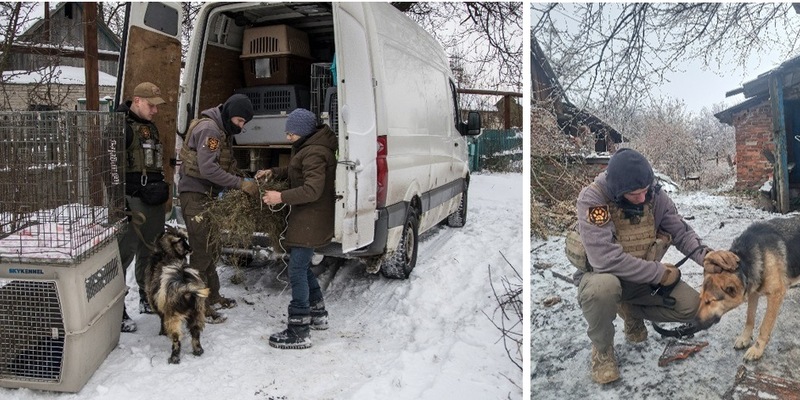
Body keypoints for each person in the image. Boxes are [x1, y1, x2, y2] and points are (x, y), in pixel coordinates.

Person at [570, 148, 711, 384]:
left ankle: (629, 310)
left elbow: (680, 232)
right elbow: (604, 259)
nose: (643, 199)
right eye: (635, 194)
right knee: (602, 289)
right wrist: (659, 273)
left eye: (645, 191)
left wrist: (707, 257)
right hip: (602, 277)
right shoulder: (593, 199)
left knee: (693, 306)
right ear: (618, 191)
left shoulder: (654, 195)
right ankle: (603, 351)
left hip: (641, 280)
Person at [255, 108, 336, 349]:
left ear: (302, 132)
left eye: (291, 133)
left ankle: (299, 328)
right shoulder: (308, 148)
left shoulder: (314, 153)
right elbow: (296, 173)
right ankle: (317, 313)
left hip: (311, 218)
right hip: (308, 217)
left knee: (296, 270)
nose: (288, 137)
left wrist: (280, 196)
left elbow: (312, 190)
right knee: (300, 266)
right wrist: (274, 172)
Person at [178, 94, 259, 323]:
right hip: (195, 196)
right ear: (229, 113)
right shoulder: (210, 130)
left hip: (207, 195)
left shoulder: (220, 128)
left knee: (211, 247)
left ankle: (213, 295)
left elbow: (222, 164)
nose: (241, 127)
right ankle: (197, 307)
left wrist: (242, 177)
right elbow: (207, 169)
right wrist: (240, 184)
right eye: (240, 121)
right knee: (201, 251)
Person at [117, 82, 169, 333]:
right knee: (123, 255)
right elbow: (107, 167)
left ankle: (145, 296)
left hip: (152, 199)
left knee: (149, 251)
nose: (155, 111)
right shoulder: (120, 127)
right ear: (137, 100)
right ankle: (118, 310)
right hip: (131, 201)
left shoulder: (150, 126)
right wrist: (117, 201)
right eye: (151, 105)